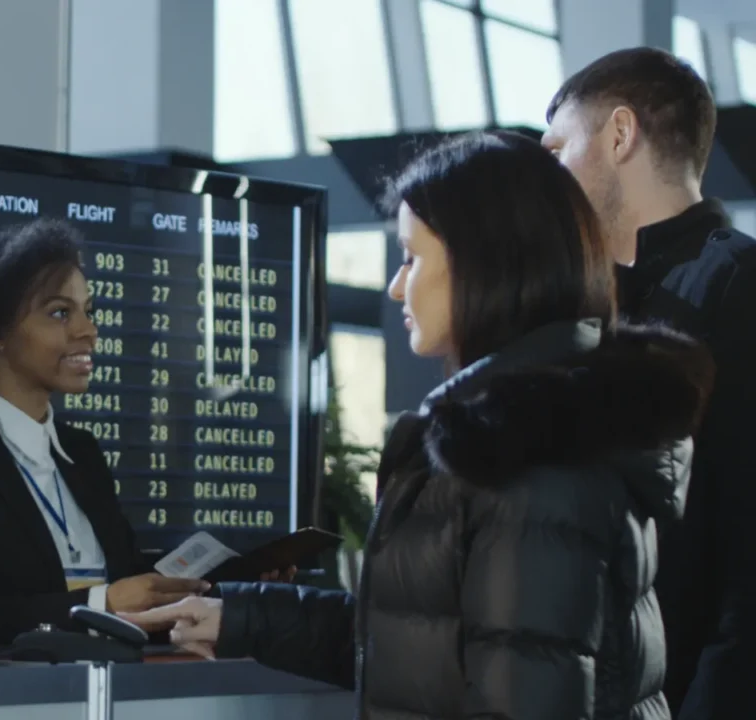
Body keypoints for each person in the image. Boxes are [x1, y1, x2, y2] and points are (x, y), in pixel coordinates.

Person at [123, 131, 715, 720]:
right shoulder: (531, 429)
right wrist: (241, 617)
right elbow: (419, 645)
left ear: (484, 262)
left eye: (412, 258)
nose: (396, 285)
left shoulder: (530, 456)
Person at [542, 47, 756, 719]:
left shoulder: (737, 285)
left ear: (620, 134)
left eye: (558, 151)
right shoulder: (593, 305)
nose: (549, 181)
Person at [0, 218, 209, 644]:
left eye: (88, 312)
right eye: (60, 313)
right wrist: (98, 606)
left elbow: (128, 583)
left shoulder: (82, 452)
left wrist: (228, 586)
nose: (88, 331)